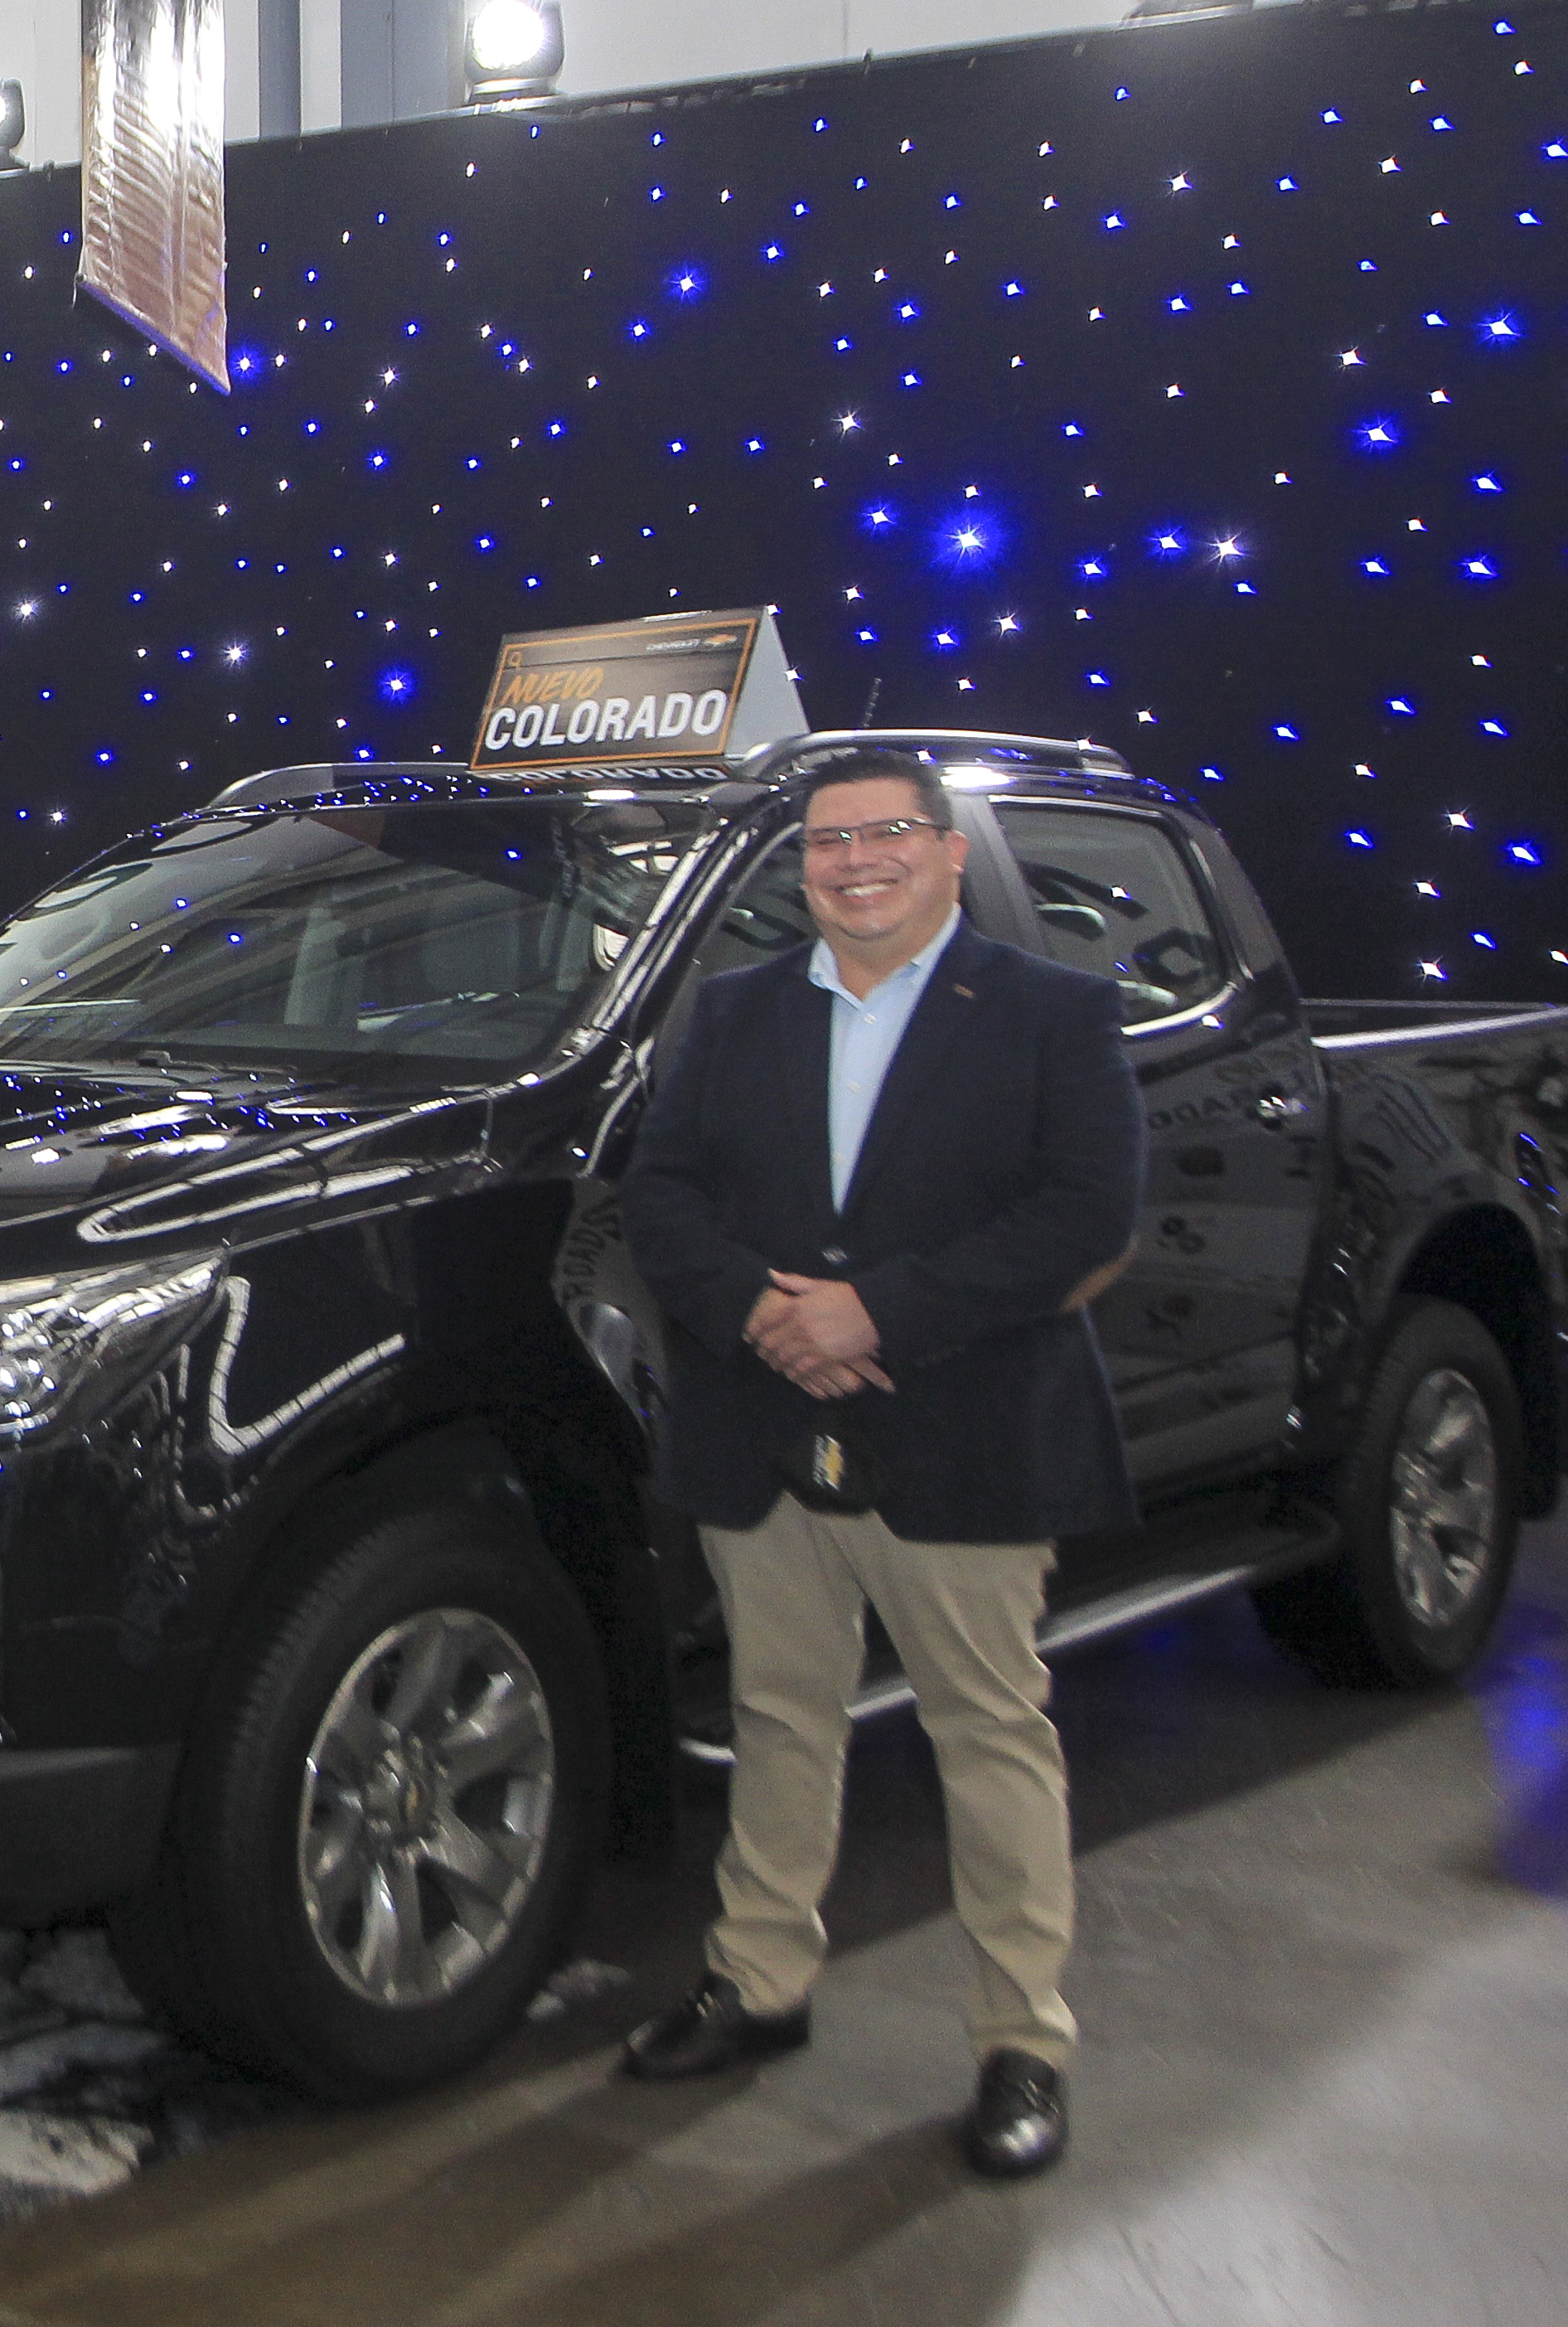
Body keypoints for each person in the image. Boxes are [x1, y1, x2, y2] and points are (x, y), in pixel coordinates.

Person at [615, 749, 1142, 2179]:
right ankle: (757, 1978)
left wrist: (876, 1310)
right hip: (761, 1419)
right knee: (780, 1713)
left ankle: (1019, 2038)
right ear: (802, 865)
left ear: (947, 849)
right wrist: (761, 1312)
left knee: (989, 1730)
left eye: (887, 833)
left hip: (964, 1428)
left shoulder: (1052, 1013)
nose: (855, 860)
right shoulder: (727, 1014)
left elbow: (1089, 1210)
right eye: (828, 840)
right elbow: (656, 1192)